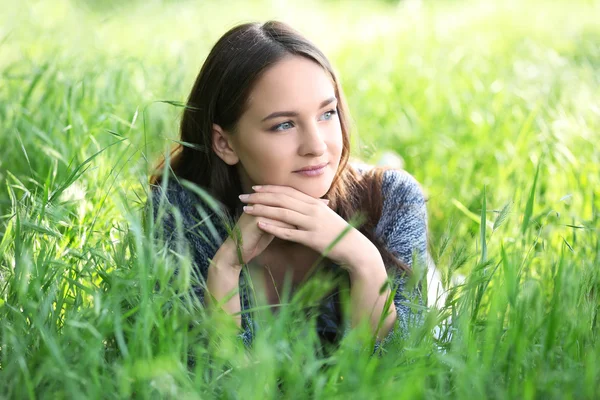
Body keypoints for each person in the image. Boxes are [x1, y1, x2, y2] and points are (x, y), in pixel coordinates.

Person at [149, 20, 429, 354]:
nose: (316, 146)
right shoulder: (182, 210)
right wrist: (224, 268)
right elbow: (202, 376)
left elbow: (408, 369)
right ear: (225, 143)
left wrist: (365, 262)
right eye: (283, 125)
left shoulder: (393, 201)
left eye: (327, 114)